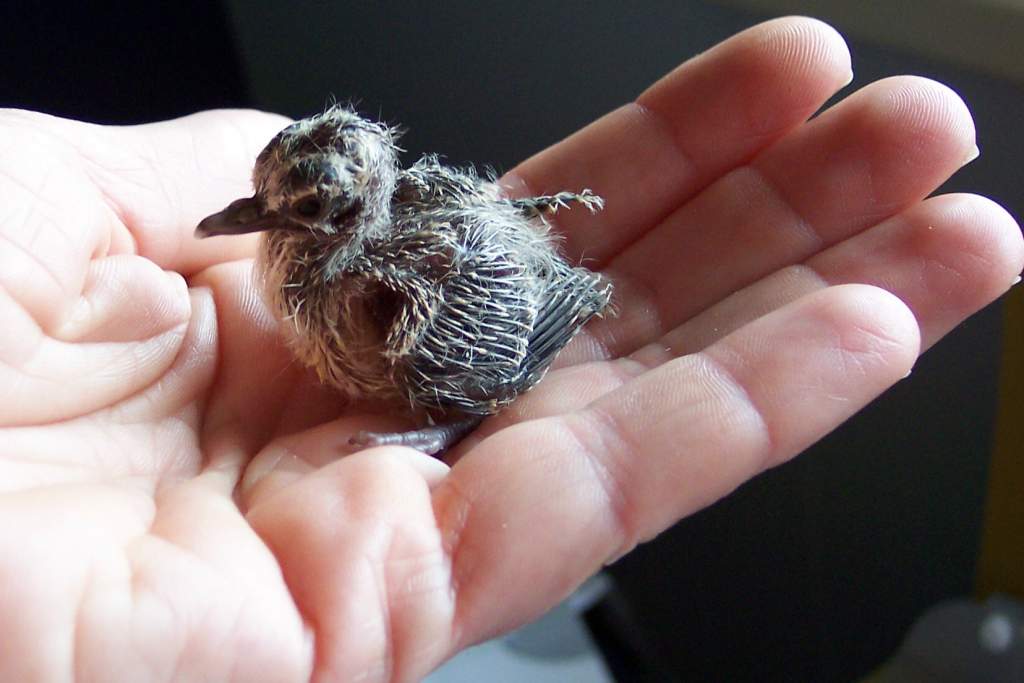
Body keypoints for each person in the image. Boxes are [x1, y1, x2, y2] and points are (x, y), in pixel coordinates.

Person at [0, 16, 1019, 682]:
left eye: (298, 216)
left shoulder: (364, 296)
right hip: (482, 255)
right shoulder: (352, 223)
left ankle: (448, 411)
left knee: (438, 361)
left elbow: (483, 282)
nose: (268, 227)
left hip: (501, 320)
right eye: (275, 202)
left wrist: (445, 412)